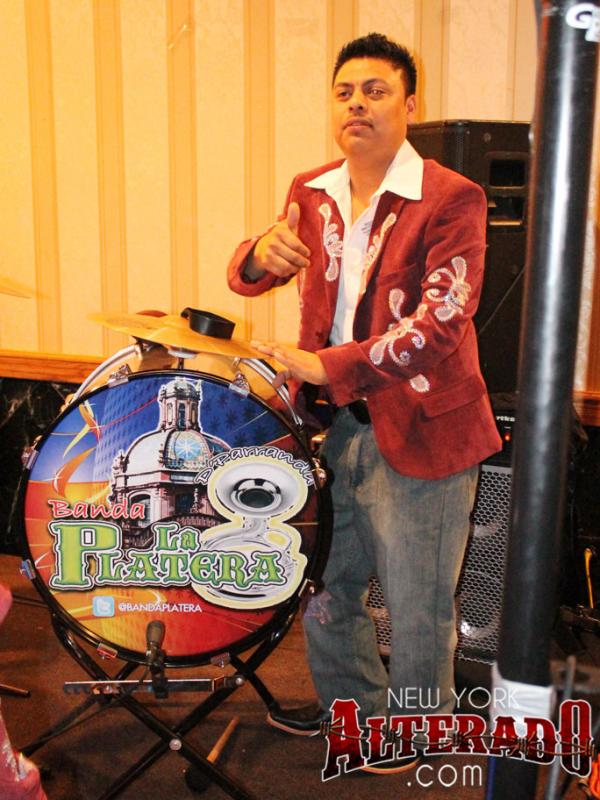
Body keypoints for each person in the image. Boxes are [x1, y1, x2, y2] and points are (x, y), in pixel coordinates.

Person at [227, 32, 501, 773]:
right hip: (331, 425)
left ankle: (417, 734)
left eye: (375, 90)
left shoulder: (451, 196)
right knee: (327, 586)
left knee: (417, 605)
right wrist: (258, 254)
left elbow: (442, 323)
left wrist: (330, 365)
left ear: (410, 104)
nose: (357, 104)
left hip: (425, 429)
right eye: (344, 91)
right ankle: (355, 714)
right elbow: (250, 277)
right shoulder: (310, 189)